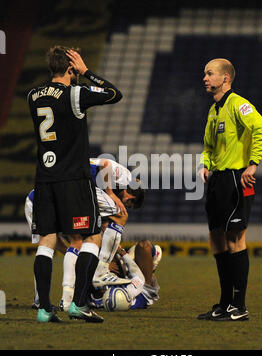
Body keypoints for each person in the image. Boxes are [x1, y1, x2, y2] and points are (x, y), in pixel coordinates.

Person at [27, 46, 122, 323]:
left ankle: (44, 309)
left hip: (45, 179)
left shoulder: (33, 95)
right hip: (74, 180)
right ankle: (78, 303)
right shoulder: (75, 93)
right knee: (92, 236)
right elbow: (116, 94)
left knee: (46, 242)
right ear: (71, 67)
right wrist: (87, 72)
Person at [197, 58, 262, 321]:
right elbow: (208, 147)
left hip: (236, 179)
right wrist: (206, 165)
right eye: (205, 74)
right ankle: (224, 303)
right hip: (217, 180)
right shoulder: (214, 110)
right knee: (217, 240)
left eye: (209, 74)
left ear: (225, 78)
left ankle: (239, 306)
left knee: (235, 240)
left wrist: (253, 164)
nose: (205, 78)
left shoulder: (238, 104)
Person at [25, 157, 145, 311]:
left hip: (50, 195)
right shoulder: (125, 177)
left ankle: (51, 300)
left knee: (56, 245)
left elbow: (105, 225)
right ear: (131, 197)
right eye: (128, 203)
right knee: (122, 215)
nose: (125, 204)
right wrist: (111, 194)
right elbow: (106, 163)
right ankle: (101, 271)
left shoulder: (107, 185)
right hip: (49, 197)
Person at [89, 240, 162, 311]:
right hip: (142, 290)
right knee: (144, 246)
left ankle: (127, 262)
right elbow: (139, 278)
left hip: (121, 279)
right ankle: (150, 266)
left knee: (105, 247)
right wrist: (122, 253)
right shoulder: (130, 290)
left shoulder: (91, 292)